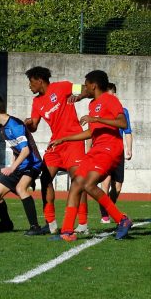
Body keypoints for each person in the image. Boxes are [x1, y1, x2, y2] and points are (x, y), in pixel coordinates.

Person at [50, 70, 133, 241]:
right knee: (76, 184)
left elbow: (122, 123)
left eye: (86, 84)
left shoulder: (110, 100)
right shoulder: (92, 104)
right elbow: (90, 132)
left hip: (110, 148)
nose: (84, 88)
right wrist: (64, 139)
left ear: (93, 85)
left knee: (88, 184)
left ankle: (122, 219)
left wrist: (97, 119)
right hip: (96, 149)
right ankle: (66, 232)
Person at [24, 67, 88, 235]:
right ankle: (51, 224)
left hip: (73, 141)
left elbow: (84, 88)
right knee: (45, 179)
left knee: (78, 181)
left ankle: (82, 224)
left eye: (31, 82)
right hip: (56, 144)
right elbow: (35, 127)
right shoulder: (37, 102)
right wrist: (29, 123)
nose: (30, 86)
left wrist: (79, 96)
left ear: (39, 80)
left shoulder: (62, 87)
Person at [0, 95, 44, 235]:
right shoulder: (1, 126)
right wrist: (13, 165)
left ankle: (35, 227)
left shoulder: (15, 125)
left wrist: (12, 168)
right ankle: (6, 223)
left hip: (32, 163)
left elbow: (25, 150)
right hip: (20, 164)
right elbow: (16, 149)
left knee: (20, 188)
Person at [98, 82, 133, 223]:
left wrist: (129, 149)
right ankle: (104, 214)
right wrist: (89, 150)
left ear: (115, 94)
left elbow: (128, 131)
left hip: (118, 152)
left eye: (110, 94)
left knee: (117, 187)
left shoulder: (123, 112)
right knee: (105, 183)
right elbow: (92, 131)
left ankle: (110, 208)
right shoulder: (100, 110)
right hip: (104, 151)